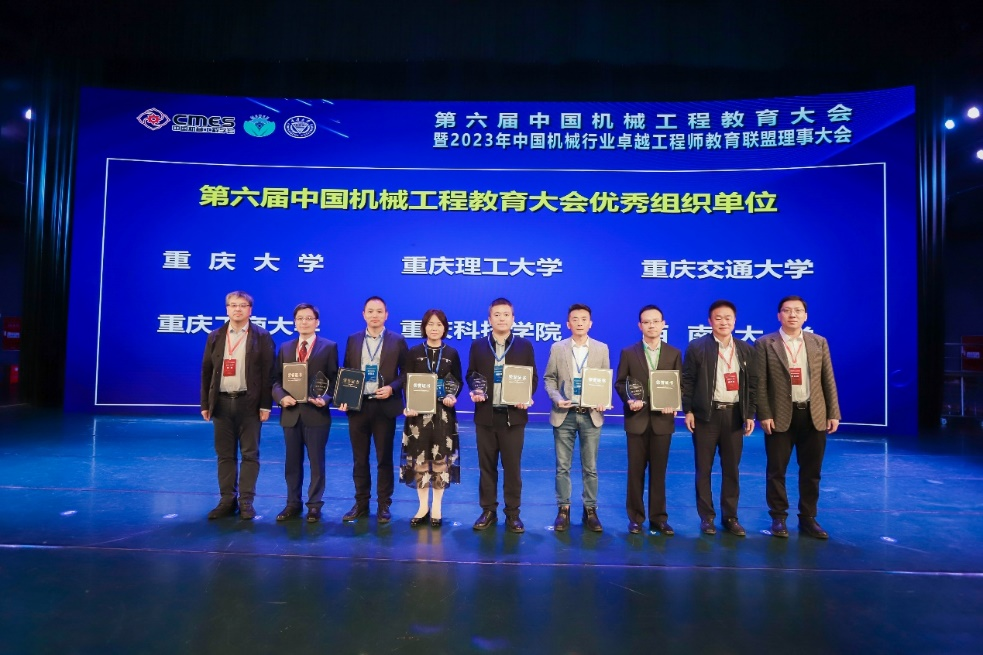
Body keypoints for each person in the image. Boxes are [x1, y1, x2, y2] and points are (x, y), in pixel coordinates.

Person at [755, 295, 841, 539]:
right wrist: (764, 413)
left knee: (812, 471)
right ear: (778, 315)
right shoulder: (765, 343)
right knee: (776, 471)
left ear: (805, 316)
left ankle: (808, 518)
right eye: (787, 310)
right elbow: (760, 383)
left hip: (814, 414)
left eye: (798, 310)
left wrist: (833, 412)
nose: (792, 314)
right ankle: (778, 518)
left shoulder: (818, 342)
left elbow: (828, 379)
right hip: (779, 416)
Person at [681, 299, 756, 536]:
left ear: (735, 321)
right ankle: (707, 517)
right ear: (710, 321)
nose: (723, 322)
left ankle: (730, 517)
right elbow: (687, 381)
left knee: (731, 469)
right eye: (718, 318)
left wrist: (749, 414)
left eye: (728, 318)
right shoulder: (697, 347)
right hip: (706, 416)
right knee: (703, 469)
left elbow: (752, 385)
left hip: (734, 416)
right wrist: (688, 410)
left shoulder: (745, 349)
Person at [200, 291, 275, 520]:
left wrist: (266, 405)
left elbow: (268, 374)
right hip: (221, 403)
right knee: (224, 455)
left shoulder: (262, 336)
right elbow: (207, 371)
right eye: (233, 305)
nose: (237, 309)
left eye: (242, 305)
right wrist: (206, 404)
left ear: (250, 310)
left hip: (249, 404)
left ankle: (246, 502)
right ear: (227, 309)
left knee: (250, 455)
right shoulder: (215, 336)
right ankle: (227, 500)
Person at [466, 298, 538, 533]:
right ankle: (488, 510)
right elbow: (471, 374)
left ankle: (513, 514)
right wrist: (475, 390)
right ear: (489, 319)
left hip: (513, 417)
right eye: (496, 314)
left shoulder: (524, 346)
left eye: (506, 314)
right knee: (486, 467)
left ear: (513, 319)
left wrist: (526, 395)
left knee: (512, 468)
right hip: (485, 416)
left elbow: (532, 377)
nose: (501, 318)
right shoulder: (478, 345)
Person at [339, 296, 408, 524]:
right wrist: (344, 397)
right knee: (359, 459)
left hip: (384, 407)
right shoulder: (353, 339)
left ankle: (383, 504)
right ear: (363, 314)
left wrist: (392, 388)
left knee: (383, 458)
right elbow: (347, 370)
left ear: (386, 315)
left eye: (379, 311)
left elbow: (405, 373)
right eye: (370, 311)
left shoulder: (397, 340)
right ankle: (361, 503)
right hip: (358, 406)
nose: (375, 315)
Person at [615, 304, 682, 536]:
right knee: (635, 472)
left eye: (655, 321)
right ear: (639, 325)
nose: (651, 326)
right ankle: (635, 518)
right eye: (646, 322)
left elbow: (679, 385)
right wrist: (629, 399)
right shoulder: (628, 352)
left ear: (663, 324)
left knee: (659, 472)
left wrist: (674, 402)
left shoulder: (674, 353)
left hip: (663, 421)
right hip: (637, 420)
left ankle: (658, 518)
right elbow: (620, 382)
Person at [543, 303, 610, 532]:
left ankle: (590, 510)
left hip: (591, 415)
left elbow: (604, 380)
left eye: (584, 319)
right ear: (568, 323)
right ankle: (563, 509)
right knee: (562, 466)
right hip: (565, 414)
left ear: (590, 323)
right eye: (575, 319)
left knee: (590, 467)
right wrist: (556, 398)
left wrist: (602, 399)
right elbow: (549, 378)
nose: (579, 323)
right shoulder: (558, 348)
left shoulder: (601, 349)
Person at [271, 303, 339, 523]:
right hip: (291, 414)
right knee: (292, 463)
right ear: (294, 322)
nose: (304, 322)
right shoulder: (285, 348)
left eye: (309, 318)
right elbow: (275, 380)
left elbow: (334, 381)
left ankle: (314, 505)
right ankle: (292, 503)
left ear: (317, 322)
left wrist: (325, 399)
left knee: (316, 463)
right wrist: (281, 397)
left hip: (316, 414)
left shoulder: (329, 347)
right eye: (300, 318)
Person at [400, 309, 463, 528]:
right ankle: (422, 507)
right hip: (418, 415)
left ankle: (436, 506)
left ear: (445, 328)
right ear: (424, 327)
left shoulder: (452, 353)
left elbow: (457, 381)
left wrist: (452, 396)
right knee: (420, 461)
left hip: (443, 414)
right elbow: (406, 381)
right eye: (430, 324)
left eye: (439, 324)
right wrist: (408, 405)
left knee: (439, 461)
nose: (434, 328)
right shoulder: (414, 352)